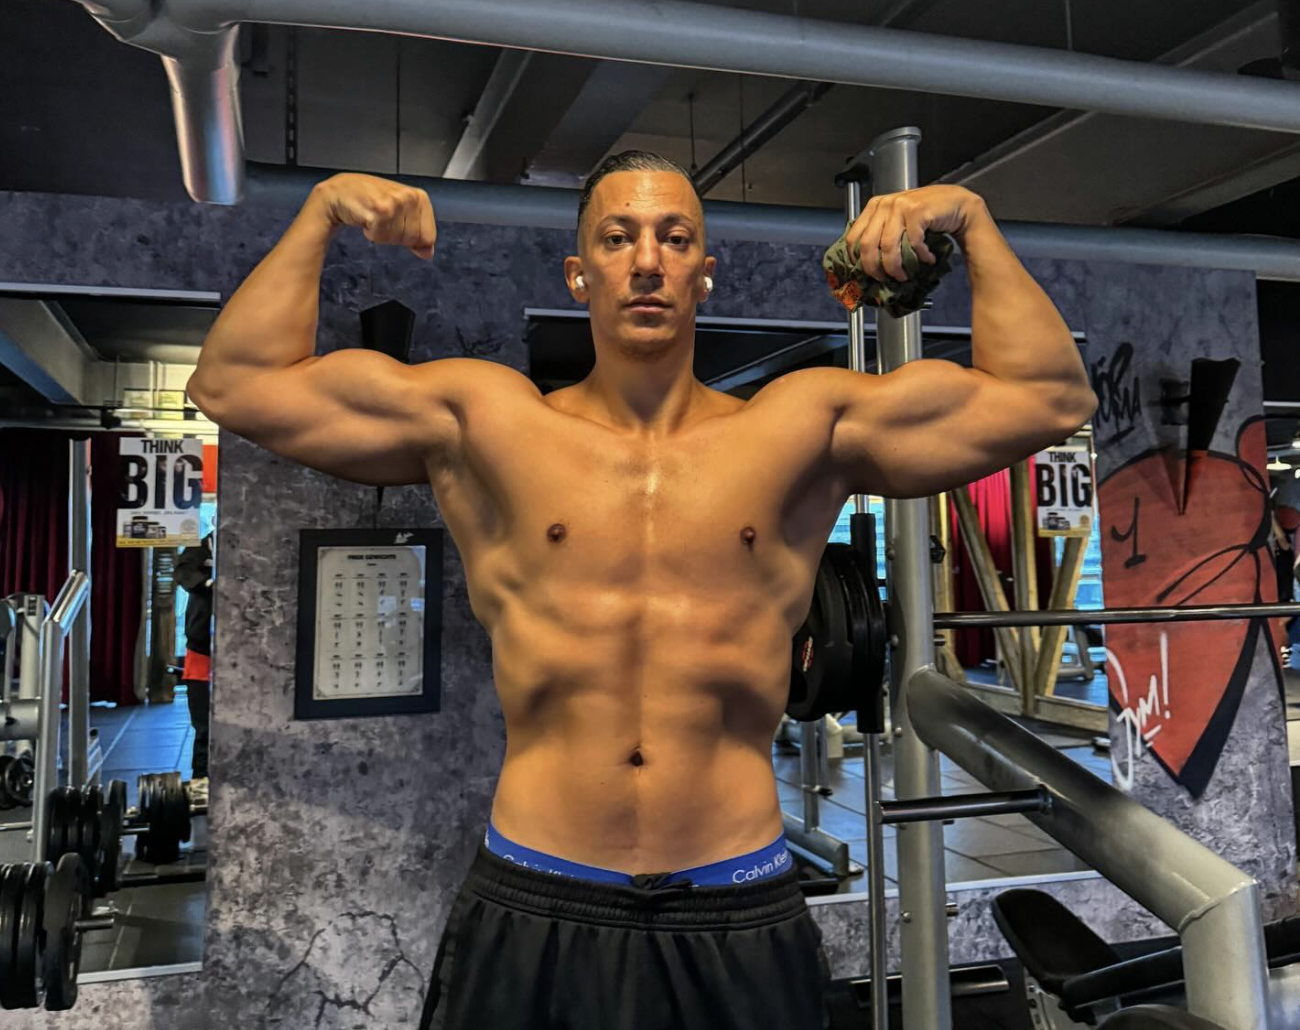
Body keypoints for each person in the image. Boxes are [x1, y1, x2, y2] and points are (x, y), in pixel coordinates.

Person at [187, 151, 1095, 1030]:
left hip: (737, 904)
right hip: (538, 894)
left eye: (675, 237)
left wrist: (972, 221)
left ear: (706, 272)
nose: (649, 260)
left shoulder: (803, 427)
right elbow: (236, 383)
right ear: (579, 274)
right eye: (618, 238)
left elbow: (1048, 398)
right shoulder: (485, 421)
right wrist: (321, 213)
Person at [174, 529, 213, 794]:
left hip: (244, 651)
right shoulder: (203, 546)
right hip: (202, 650)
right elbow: (183, 574)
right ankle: (201, 779)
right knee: (203, 723)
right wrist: (209, 583)